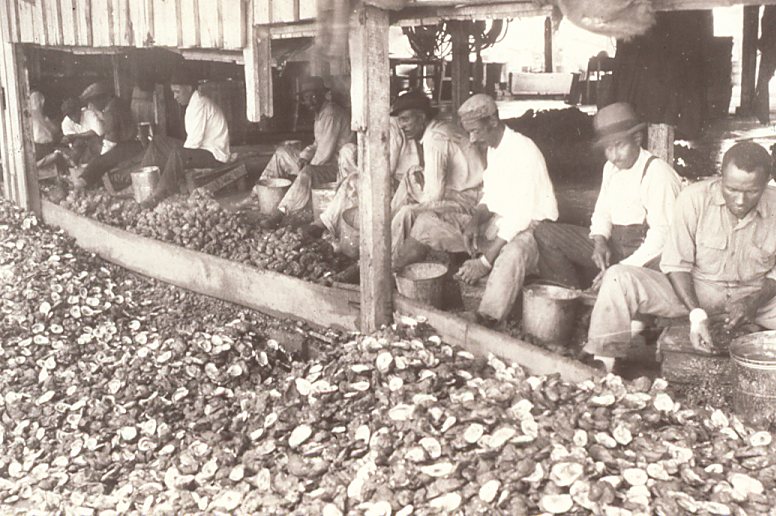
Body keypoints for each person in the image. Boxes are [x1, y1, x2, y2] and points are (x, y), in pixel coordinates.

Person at [586, 142, 776, 372]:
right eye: (732, 189)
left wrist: (753, 303)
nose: (740, 200)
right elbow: (676, 265)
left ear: (766, 183)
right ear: (720, 177)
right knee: (618, 278)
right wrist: (696, 315)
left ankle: (751, 325)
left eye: (752, 192)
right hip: (697, 294)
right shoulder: (693, 199)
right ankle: (602, 367)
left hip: (756, 298)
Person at [404, 93, 558, 327]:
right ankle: (397, 274)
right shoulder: (495, 149)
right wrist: (475, 221)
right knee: (427, 222)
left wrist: (484, 263)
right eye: (469, 133)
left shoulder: (523, 150)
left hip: (533, 230)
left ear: (493, 122)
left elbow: (520, 217)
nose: (472, 140)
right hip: (497, 224)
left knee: (512, 254)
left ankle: (485, 318)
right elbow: (490, 196)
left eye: (476, 131)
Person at [534, 102, 682, 290]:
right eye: (607, 148)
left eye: (619, 146)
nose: (613, 156)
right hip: (614, 247)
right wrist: (599, 241)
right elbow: (602, 212)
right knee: (545, 233)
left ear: (637, 138)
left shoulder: (658, 174)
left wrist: (618, 271)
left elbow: (662, 238)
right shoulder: (611, 168)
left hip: (646, 257)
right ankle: (572, 298)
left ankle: (606, 297)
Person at [300, 116, 420, 240]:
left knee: (354, 182)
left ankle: (325, 223)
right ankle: (333, 221)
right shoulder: (383, 122)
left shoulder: (390, 126)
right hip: (394, 179)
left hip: (401, 187)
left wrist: (362, 168)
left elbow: (385, 170)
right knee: (348, 154)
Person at [258, 76, 353, 227]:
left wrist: (302, 173)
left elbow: (324, 154)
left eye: (312, 96)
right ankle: (257, 195)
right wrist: (304, 156)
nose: (309, 101)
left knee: (307, 172)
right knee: (282, 153)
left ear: (321, 95)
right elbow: (317, 144)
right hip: (323, 160)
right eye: (306, 98)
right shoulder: (320, 113)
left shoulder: (331, 114)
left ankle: (281, 213)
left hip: (336, 166)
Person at [138, 67, 231, 207]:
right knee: (157, 141)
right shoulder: (193, 104)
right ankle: (142, 182)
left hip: (215, 156)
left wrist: (174, 158)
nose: (175, 96)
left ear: (188, 88)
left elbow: (194, 142)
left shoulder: (200, 104)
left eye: (177, 92)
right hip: (202, 150)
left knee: (178, 154)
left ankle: (157, 196)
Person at [75, 82, 141, 190]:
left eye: (93, 102)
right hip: (133, 142)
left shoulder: (111, 110)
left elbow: (111, 139)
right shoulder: (118, 102)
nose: (93, 106)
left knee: (98, 161)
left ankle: (82, 182)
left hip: (128, 146)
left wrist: (102, 157)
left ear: (100, 99)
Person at [60, 97, 104, 165]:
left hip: (97, 145)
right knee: (78, 146)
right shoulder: (65, 123)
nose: (73, 117)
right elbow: (73, 142)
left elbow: (100, 131)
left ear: (79, 109)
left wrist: (76, 136)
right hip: (82, 150)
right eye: (69, 115)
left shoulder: (88, 114)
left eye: (74, 113)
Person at [755, 6, 776, 125]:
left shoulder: (769, 11)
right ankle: (763, 116)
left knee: (763, 81)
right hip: (770, 48)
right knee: (763, 81)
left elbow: (767, 31)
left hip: (770, 49)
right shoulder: (769, 11)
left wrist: (761, 43)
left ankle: (763, 117)